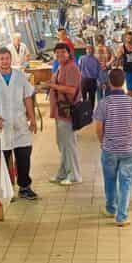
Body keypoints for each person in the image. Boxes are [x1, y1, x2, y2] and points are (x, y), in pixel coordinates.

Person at [0, 47, 39, 200]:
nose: (5, 61)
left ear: (11, 59)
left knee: (24, 154)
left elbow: (27, 98)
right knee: (2, 158)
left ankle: (24, 187)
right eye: (1, 59)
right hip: (1, 125)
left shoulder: (19, 76)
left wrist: (32, 118)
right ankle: (4, 189)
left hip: (19, 123)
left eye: (7, 58)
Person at [94, 68, 132, 226]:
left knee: (109, 180)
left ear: (109, 83)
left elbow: (98, 127)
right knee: (126, 182)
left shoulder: (103, 103)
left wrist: (103, 142)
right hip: (127, 149)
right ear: (124, 83)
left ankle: (110, 208)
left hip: (110, 149)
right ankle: (122, 216)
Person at [46, 42, 82, 185]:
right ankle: (63, 172)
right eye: (57, 53)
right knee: (62, 143)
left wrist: (52, 85)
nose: (60, 55)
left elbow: (72, 90)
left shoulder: (72, 68)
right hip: (59, 111)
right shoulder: (61, 67)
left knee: (68, 144)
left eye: (63, 52)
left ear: (69, 53)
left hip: (67, 111)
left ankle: (74, 175)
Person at [78, 44, 101, 110]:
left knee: (84, 97)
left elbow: (78, 69)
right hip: (92, 81)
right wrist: (98, 81)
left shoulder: (81, 58)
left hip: (84, 80)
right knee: (92, 98)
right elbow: (98, 71)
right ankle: (91, 112)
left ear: (86, 51)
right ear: (93, 51)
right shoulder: (96, 60)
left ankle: (84, 112)